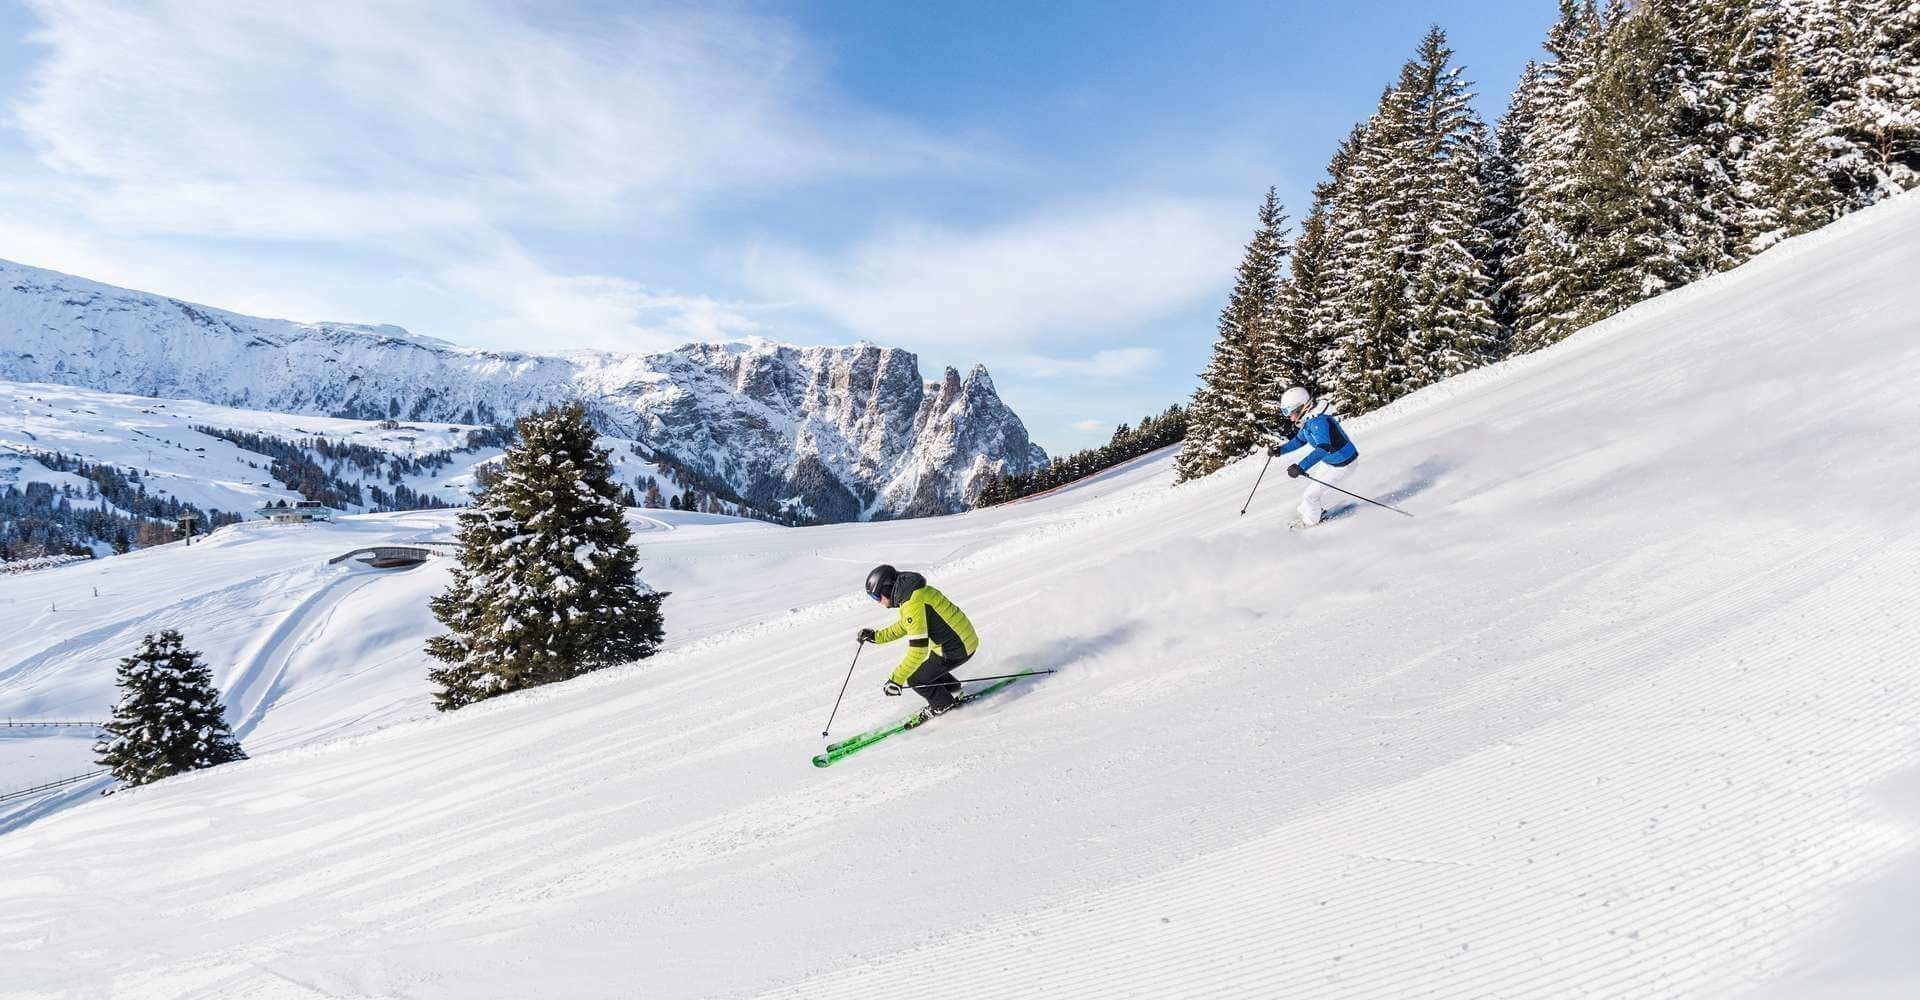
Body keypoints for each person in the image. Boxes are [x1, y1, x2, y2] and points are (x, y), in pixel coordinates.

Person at [857, 564, 980, 717]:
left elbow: (918, 650)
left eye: (876, 597)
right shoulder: (914, 593)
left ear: (886, 588)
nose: (878, 602)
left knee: (916, 679)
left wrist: (896, 680)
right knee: (928, 668)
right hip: (961, 640)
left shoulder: (912, 603)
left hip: (957, 648)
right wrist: (877, 637)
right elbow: (907, 625)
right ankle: (954, 689)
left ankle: (944, 705)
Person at [1268, 386, 1359, 527]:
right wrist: (1280, 450)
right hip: (1330, 463)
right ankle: (1314, 513)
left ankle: (1311, 523)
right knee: (1307, 501)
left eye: (1289, 412)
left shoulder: (1318, 422)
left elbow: (1323, 448)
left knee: (1310, 495)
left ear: (1301, 408)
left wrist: (1301, 467)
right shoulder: (1308, 421)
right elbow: (1299, 440)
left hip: (1344, 465)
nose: (1289, 417)